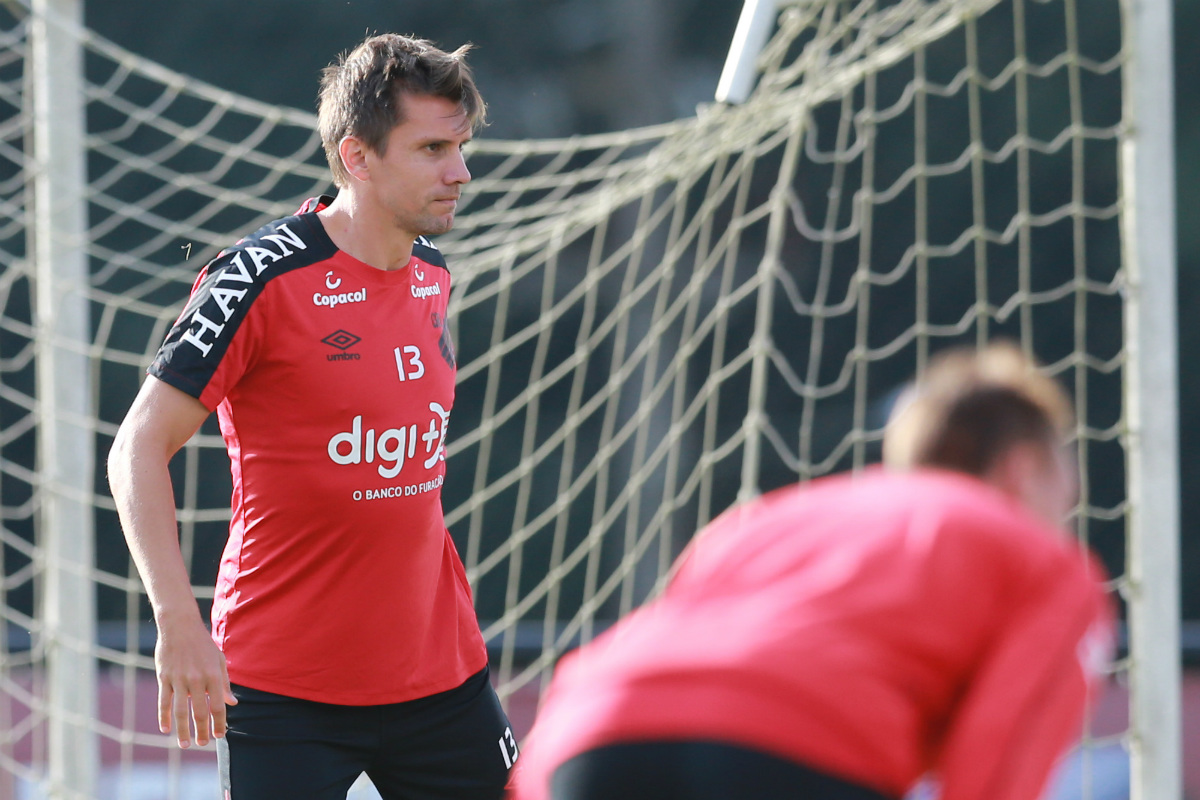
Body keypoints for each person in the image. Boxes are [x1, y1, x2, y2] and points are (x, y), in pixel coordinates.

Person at [108, 34, 517, 800]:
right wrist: (178, 623)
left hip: (441, 679)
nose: (460, 171)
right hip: (281, 692)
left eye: (460, 146)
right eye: (432, 149)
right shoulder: (256, 279)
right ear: (357, 157)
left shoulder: (434, 276)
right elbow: (137, 447)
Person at [509, 342, 1114, 800]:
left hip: (589, 733)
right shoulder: (1047, 565)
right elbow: (999, 759)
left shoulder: (766, 518)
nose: (1072, 504)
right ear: (1023, 467)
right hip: (795, 751)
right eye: (1069, 478)